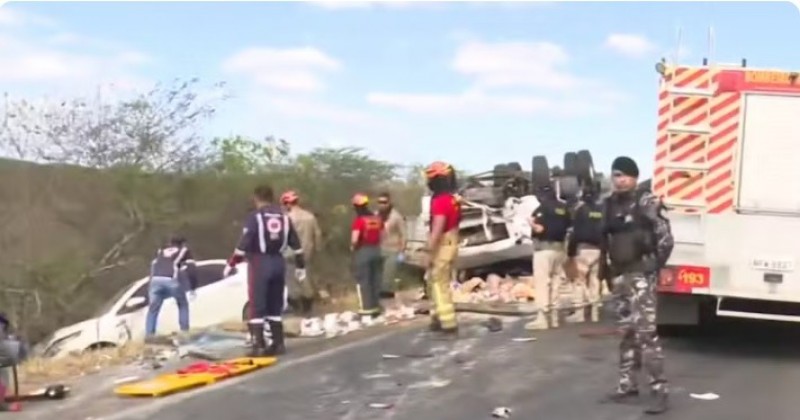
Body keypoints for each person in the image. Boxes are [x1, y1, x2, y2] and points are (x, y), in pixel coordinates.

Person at [599, 156, 673, 415]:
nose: (620, 180)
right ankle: (627, 386)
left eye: (625, 175)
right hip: (620, 276)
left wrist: (654, 267)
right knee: (626, 334)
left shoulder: (647, 202)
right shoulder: (608, 205)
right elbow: (605, 241)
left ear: (635, 177)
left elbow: (665, 239)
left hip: (641, 276)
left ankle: (659, 391)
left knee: (646, 335)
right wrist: (605, 272)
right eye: (616, 175)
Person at [224, 184, 306, 357]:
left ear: (256, 198)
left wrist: (232, 263)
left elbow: (244, 243)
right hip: (279, 261)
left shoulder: (255, 217)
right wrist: (301, 265)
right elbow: (296, 244)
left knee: (257, 303)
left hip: (259, 262)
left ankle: (259, 344)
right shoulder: (284, 217)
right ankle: (278, 343)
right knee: (274, 304)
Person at [525, 183, 571, 330]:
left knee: (542, 283)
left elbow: (540, 229)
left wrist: (531, 223)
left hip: (544, 250)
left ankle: (543, 318)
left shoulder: (542, 208)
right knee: (557, 282)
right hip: (560, 250)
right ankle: (555, 317)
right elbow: (569, 226)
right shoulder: (564, 208)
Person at [424, 161, 461, 336]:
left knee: (439, 283)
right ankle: (437, 317)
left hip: (443, 244)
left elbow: (438, 228)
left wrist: (429, 252)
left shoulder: (440, 201)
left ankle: (448, 323)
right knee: (437, 282)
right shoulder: (453, 199)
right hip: (452, 242)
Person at [281, 190, 325, 315]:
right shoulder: (309, 217)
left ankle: (296, 311)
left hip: (290, 255)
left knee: (291, 283)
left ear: (287, 203)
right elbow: (318, 235)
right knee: (306, 281)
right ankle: (307, 311)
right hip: (307, 254)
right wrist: (317, 249)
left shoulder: (286, 218)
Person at [145, 236, 198, 338]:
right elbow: (192, 270)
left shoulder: (160, 251)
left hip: (155, 280)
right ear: (182, 244)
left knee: (153, 309)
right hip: (170, 280)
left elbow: (154, 265)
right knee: (182, 304)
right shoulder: (184, 250)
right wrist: (193, 288)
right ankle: (184, 332)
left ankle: (149, 335)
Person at [566, 184, 604, 323]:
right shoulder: (602, 210)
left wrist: (570, 253)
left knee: (579, 282)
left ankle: (579, 313)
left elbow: (575, 233)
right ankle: (595, 313)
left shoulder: (581, 210)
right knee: (595, 281)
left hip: (583, 250)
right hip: (599, 250)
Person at [350, 193, 385, 318]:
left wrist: (353, 248)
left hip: (363, 251)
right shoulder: (377, 219)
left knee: (364, 280)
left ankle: (366, 309)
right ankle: (375, 307)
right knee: (375, 279)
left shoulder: (359, 221)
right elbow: (382, 234)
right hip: (377, 250)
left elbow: (354, 239)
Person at [376, 192, 407, 297]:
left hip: (393, 250)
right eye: (380, 202)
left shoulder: (396, 216)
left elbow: (403, 235)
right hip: (378, 249)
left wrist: (402, 252)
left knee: (388, 276)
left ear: (389, 203)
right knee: (378, 276)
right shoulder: (375, 215)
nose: (382, 205)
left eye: (384, 202)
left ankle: (388, 296)